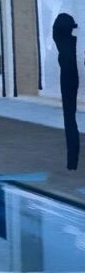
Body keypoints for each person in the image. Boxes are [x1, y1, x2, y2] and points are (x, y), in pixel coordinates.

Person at [53, 13, 80, 171]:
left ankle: (72, 162)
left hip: (68, 79)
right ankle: (72, 161)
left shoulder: (63, 43)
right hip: (71, 78)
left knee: (69, 119)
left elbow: (55, 31)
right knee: (70, 119)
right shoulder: (70, 42)